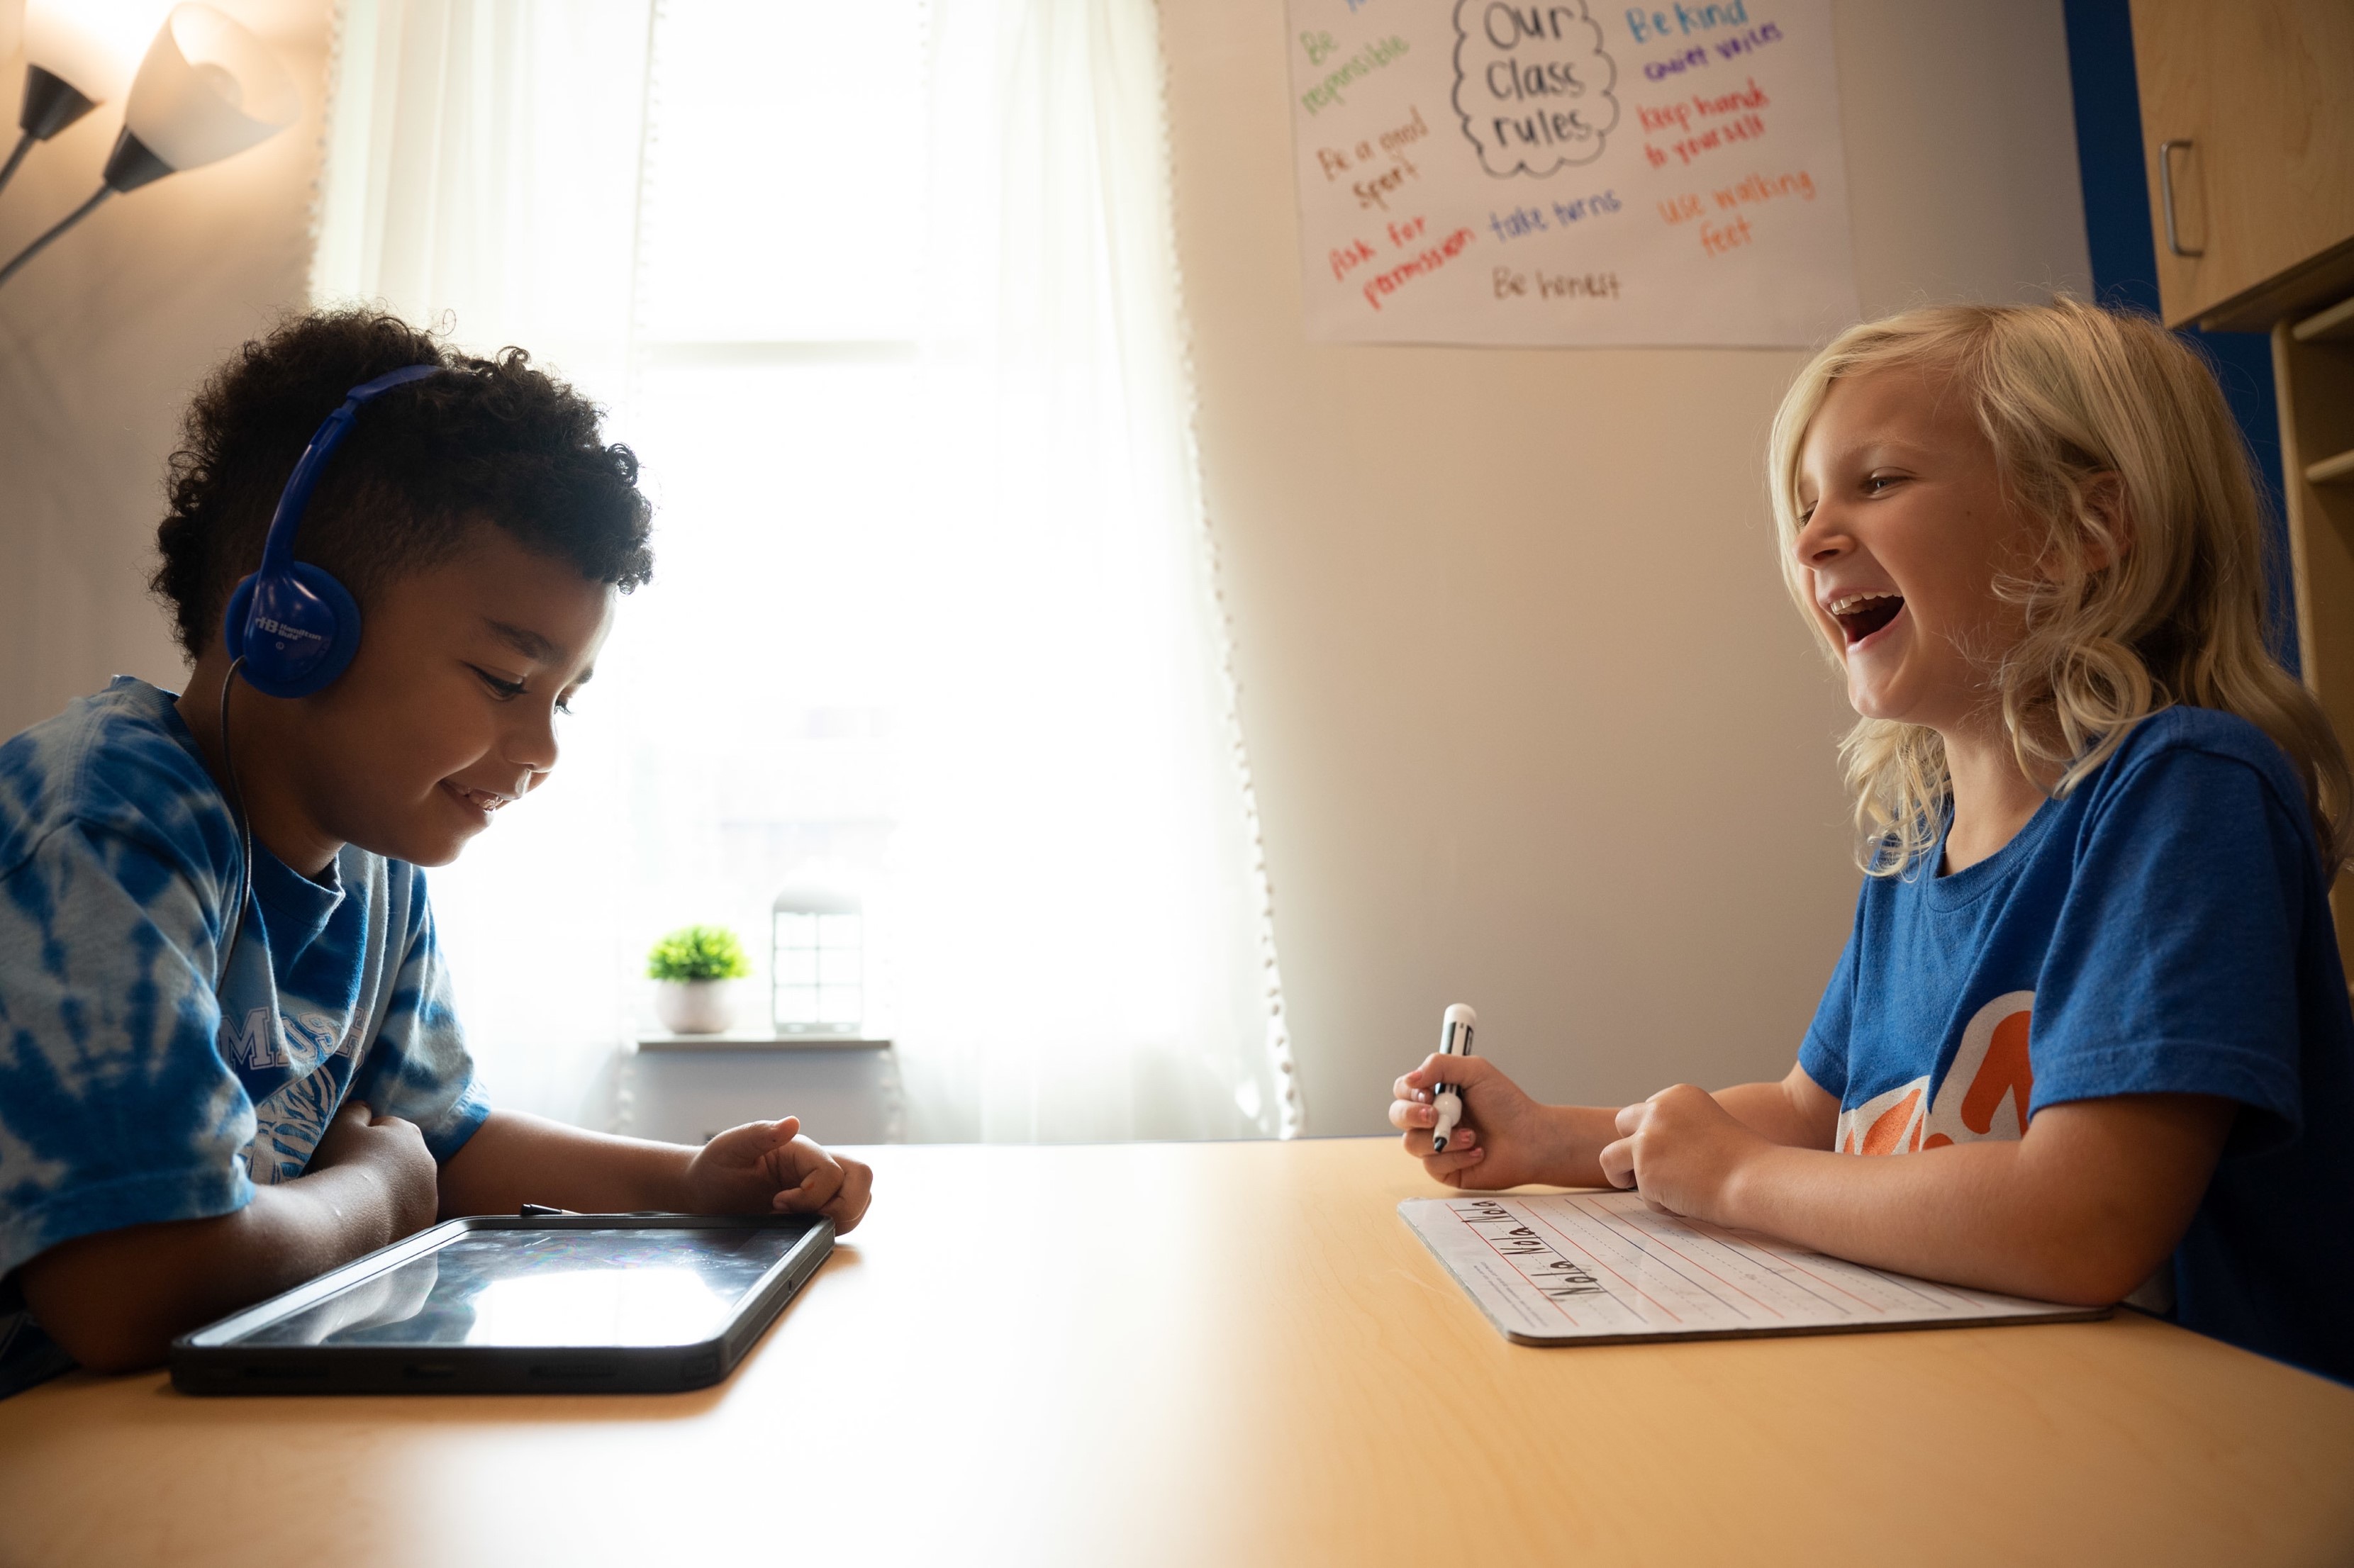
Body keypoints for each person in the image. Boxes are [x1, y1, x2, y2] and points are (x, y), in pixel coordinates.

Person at [1391, 299, 2354, 1383]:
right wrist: (1553, 1141)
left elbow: (2082, 1222)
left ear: (2083, 531)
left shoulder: (2183, 795)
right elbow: (1816, 1113)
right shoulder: (1917, 847)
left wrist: (1737, 1182)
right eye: (1804, 505)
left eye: (1879, 482)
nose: (1809, 540)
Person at [0, 310, 873, 1391]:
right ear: (293, 626)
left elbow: (441, 1141)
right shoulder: (108, 827)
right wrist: (376, 1194)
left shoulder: (375, 856)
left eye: (566, 698)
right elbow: (129, 1290)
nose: (544, 748)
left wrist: (691, 1185)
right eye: (507, 681)